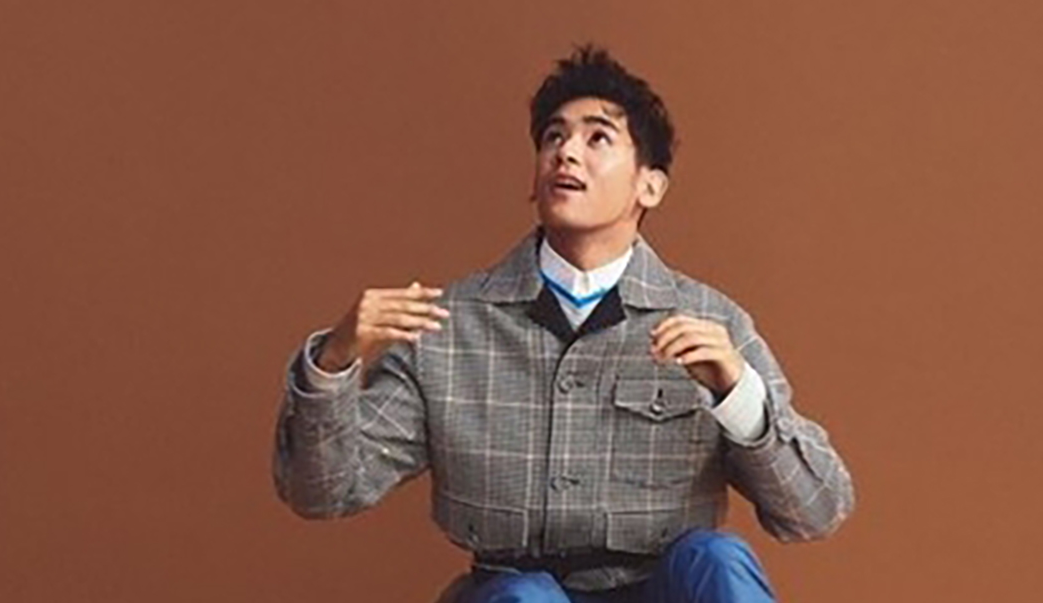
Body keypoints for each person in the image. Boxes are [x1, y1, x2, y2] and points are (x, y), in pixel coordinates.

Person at [273, 45, 855, 602]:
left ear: (650, 185)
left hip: (666, 590)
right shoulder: (447, 328)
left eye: (597, 137)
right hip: (513, 592)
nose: (566, 153)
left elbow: (816, 511)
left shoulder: (711, 323)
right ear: (534, 181)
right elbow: (322, 493)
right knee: (525, 596)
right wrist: (333, 363)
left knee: (717, 559)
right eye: (554, 137)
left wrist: (737, 394)